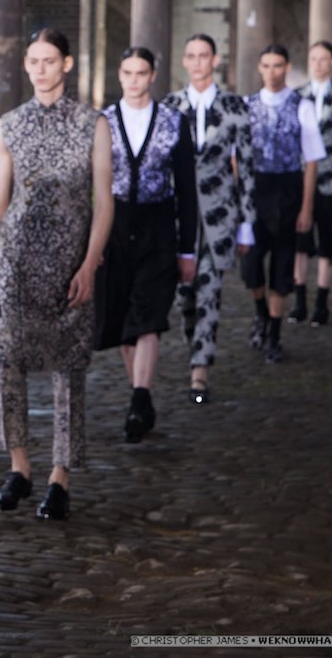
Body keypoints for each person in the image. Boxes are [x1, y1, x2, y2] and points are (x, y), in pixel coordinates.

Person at [0, 29, 113, 520]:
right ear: (26, 65)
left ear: (67, 64)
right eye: (33, 61)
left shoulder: (92, 124)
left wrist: (90, 263)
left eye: (49, 60)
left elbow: (104, 201)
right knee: (7, 364)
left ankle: (60, 475)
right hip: (17, 262)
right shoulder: (9, 125)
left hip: (70, 262)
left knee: (69, 369)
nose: (41, 69)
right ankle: (19, 467)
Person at [96, 46, 197, 441]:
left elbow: (187, 190)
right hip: (115, 225)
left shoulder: (174, 121)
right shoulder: (102, 121)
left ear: (153, 75)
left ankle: (139, 398)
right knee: (124, 318)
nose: (134, 80)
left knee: (149, 314)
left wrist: (187, 249)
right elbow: (93, 185)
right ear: (120, 75)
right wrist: (92, 244)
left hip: (159, 226)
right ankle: (141, 396)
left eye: (141, 73)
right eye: (128, 72)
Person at [163, 33, 256, 404]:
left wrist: (246, 223)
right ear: (184, 61)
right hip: (177, 215)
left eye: (204, 55)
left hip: (220, 213)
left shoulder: (235, 106)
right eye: (192, 55)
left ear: (214, 60)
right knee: (184, 293)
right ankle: (195, 346)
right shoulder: (169, 107)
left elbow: (246, 166)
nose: (198, 61)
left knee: (210, 288)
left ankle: (200, 368)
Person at [242, 44, 325, 363]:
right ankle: (261, 312)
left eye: (278, 65)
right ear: (259, 68)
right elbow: (237, 157)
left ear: (287, 67)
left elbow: (312, 161)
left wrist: (306, 207)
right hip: (255, 191)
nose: (272, 72)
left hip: (288, 191)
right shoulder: (247, 105)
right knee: (251, 266)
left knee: (282, 264)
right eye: (266, 65)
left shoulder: (302, 106)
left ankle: (274, 335)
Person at [288, 41, 332, 323]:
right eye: (314, 59)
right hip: (301, 180)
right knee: (300, 242)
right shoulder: (296, 96)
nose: (318, 64)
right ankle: (299, 301)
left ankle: (322, 302)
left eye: (323, 59)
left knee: (329, 241)